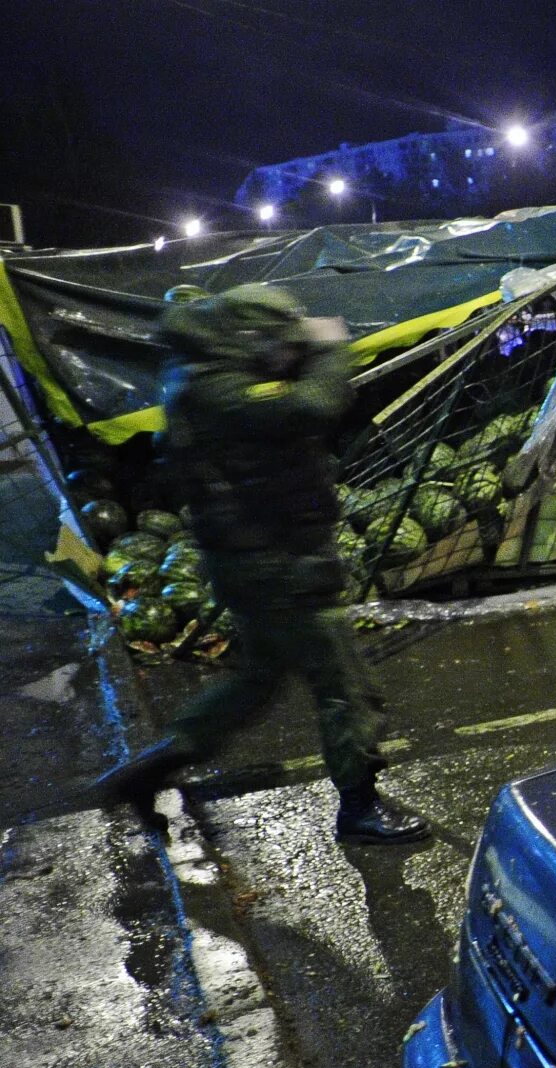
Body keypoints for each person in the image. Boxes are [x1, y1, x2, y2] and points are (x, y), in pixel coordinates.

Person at [95, 285, 430, 846]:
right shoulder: (213, 388)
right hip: (274, 563)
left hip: (263, 558)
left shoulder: (208, 374)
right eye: (276, 340)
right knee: (345, 683)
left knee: (256, 682)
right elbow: (309, 405)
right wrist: (328, 350)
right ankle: (360, 808)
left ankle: (150, 770)